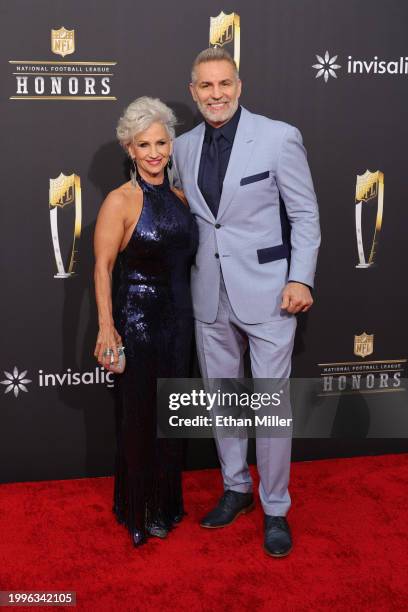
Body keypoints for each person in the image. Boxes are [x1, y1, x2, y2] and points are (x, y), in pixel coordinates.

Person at [173, 48, 320, 557]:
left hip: (270, 295)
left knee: (272, 406)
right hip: (208, 295)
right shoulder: (182, 147)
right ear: (193, 92)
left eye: (225, 84)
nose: (216, 94)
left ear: (239, 86)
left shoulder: (279, 138)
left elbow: (305, 216)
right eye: (206, 86)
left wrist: (301, 279)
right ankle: (236, 488)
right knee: (224, 399)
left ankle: (275, 507)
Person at [94, 97, 197, 547]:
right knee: (139, 417)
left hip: (180, 322)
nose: (154, 152)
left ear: (170, 145)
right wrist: (106, 326)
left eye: (160, 142)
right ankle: (138, 507)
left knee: (171, 416)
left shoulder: (179, 197)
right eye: (143, 144)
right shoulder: (121, 201)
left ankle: (165, 505)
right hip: (137, 320)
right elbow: (102, 268)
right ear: (129, 149)